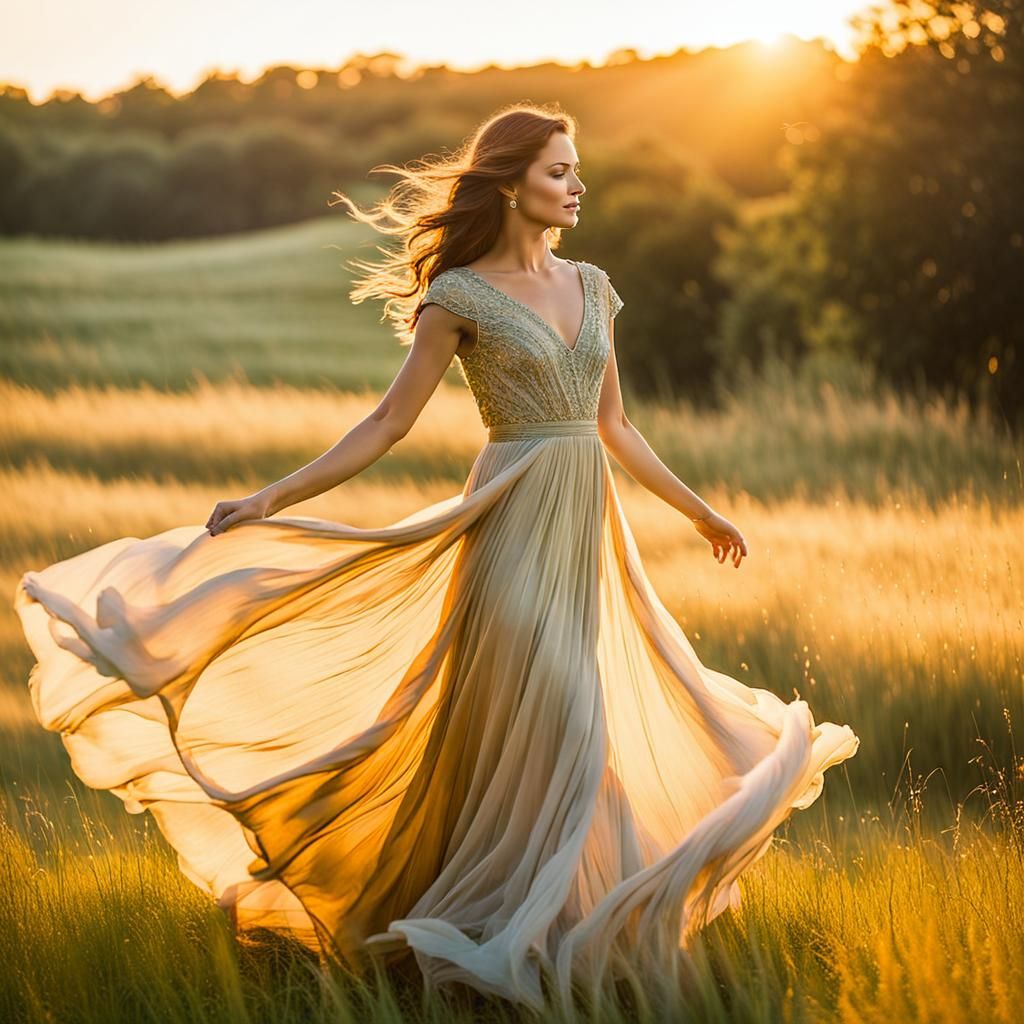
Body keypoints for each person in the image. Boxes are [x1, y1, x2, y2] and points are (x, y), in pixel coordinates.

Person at [14, 103, 859, 1015]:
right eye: (559, 172)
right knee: (566, 719)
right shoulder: (458, 296)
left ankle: (569, 933)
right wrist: (273, 497)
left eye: (576, 171)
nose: (578, 187)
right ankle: (527, 942)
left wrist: (700, 511)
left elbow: (615, 424)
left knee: (575, 730)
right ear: (509, 184)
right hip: (508, 529)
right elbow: (386, 421)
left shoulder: (594, 284)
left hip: (586, 531)